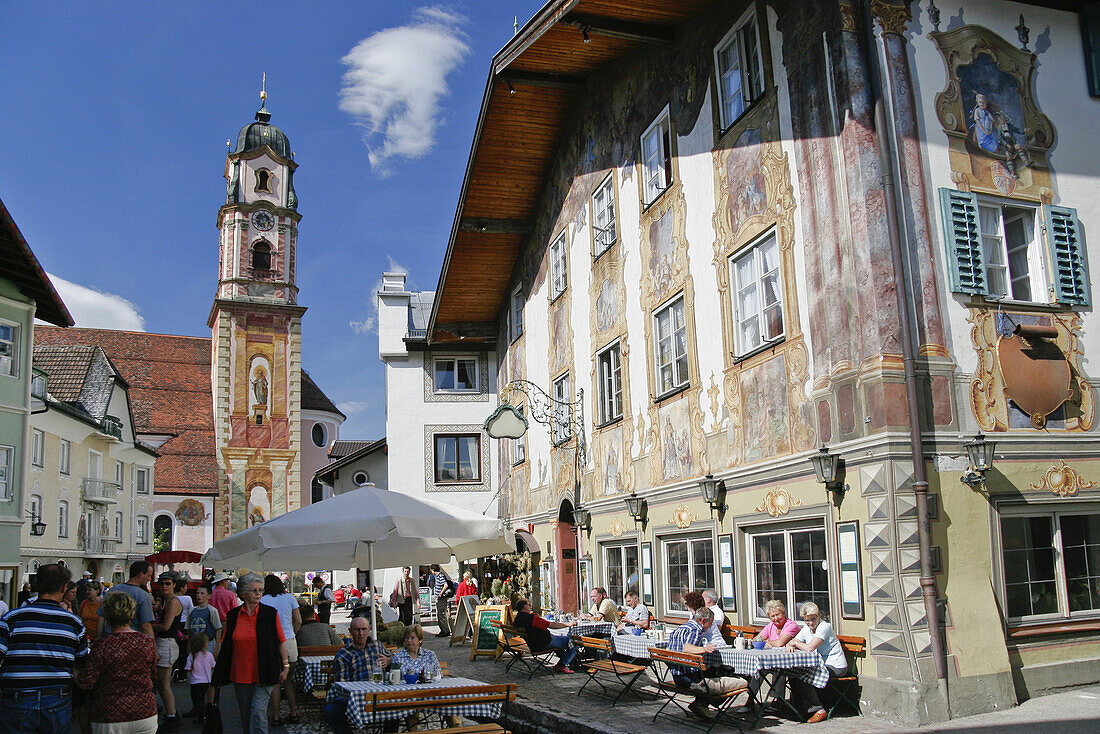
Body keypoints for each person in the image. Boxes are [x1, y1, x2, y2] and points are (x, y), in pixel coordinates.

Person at [0, 563, 90, 732]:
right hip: (56, 699)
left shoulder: (12, 618)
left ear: (36, 585)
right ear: (64, 588)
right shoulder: (74, 623)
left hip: (17, 698)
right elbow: (80, 665)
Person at [208, 572, 289, 734]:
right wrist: (218, 674)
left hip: (265, 670)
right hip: (241, 673)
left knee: (258, 710)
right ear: (243, 593)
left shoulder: (269, 613)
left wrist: (285, 665)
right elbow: (227, 645)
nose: (258, 593)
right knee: (245, 713)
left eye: (260, 590)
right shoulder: (233, 616)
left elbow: (280, 641)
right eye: (254, 590)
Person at [76, 590, 158, 734]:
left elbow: (87, 682)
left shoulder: (102, 645)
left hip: (110, 715)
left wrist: (74, 671)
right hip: (145, 712)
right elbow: (153, 674)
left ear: (106, 616)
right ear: (132, 615)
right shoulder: (147, 642)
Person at [665, 606, 742, 720]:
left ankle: (701, 704)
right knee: (734, 678)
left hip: (677, 676)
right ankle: (704, 703)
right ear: (703, 621)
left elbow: (669, 650)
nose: (711, 626)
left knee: (713, 671)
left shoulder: (681, 628)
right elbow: (687, 648)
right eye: (710, 623)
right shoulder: (696, 630)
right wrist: (704, 649)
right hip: (690, 679)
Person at [322, 616, 391, 734]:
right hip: (354, 698)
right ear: (350, 632)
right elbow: (343, 686)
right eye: (357, 630)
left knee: (396, 707)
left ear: (369, 630)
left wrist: (389, 661)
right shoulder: (343, 654)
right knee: (331, 711)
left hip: (379, 695)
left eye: (364, 629)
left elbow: (394, 659)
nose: (361, 633)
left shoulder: (377, 646)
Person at [784, 602, 845, 724]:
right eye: (807, 620)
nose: (811, 623)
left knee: (804, 674)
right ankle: (801, 708)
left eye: (813, 619)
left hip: (836, 666)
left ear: (819, 616)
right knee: (793, 673)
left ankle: (818, 710)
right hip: (820, 665)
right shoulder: (807, 628)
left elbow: (810, 648)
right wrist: (791, 643)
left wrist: (795, 643)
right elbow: (792, 641)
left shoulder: (824, 627)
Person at [260, 574, 301, 725]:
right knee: (289, 680)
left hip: (272, 643)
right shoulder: (289, 598)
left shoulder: (263, 600)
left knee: (275, 681)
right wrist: (293, 633)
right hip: (289, 641)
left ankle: (276, 715)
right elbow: (299, 620)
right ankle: (294, 712)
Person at [512, 598, 579, 674]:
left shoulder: (517, 619)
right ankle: (562, 664)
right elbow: (551, 625)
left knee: (562, 642)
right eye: (529, 605)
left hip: (533, 644)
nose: (530, 607)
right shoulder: (531, 618)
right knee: (574, 641)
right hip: (543, 643)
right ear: (524, 606)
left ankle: (570, 661)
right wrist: (568, 624)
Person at [152, 572, 184, 730]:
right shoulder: (166, 601)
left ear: (174, 585)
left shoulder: (172, 602)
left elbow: (166, 626)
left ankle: (172, 717)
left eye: (167, 583)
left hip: (167, 643)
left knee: (164, 684)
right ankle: (171, 715)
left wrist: (146, 627)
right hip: (163, 643)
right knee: (160, 684)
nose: (164, 586)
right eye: (161, 583)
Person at [99, 561, 154, 638]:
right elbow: (146, 626)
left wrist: (99, 638)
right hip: (133, 640)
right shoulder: (143, 596)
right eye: (149, 576)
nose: (150, 579)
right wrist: (152, 645)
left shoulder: (112, 591)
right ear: (141, 574)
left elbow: (101, 618)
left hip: (110, 638)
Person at [184, 633, 215, 724]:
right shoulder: (209, 655)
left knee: (197, 700)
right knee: (202, 698)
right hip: (206, 680)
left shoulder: (192, 656)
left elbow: (188, 668)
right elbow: (213, 666)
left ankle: (201, 715)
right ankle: (203, 714)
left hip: (195, 682)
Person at [185, 586, 222, 653]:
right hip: (195, 643)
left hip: (208, 644)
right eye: (197, 593)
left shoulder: (212, 610)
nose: (199, 595)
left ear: (209, 596)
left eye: (202, 593)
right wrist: (189, 645)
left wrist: (217, 647)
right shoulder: (191, 611)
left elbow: (218, 629)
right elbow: (189, 630)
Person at [429, 564, 453, 637]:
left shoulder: (440, 576)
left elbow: (445, 585)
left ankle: (445, 631)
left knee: (441, 614)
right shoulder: (438, 576)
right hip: (440, 598)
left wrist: (440, 593)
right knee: (440, 614)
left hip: (441, 598)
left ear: (432, 570)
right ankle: (443, 630)